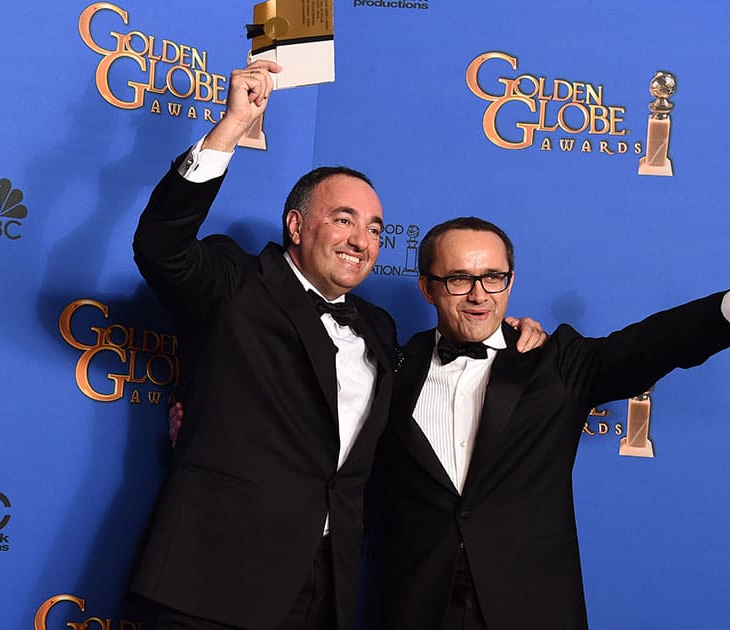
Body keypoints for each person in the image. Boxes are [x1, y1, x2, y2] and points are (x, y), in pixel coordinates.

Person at [129, 61, 545, 630]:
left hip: (326, 588)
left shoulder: (377, 327)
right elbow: (160, 246)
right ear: (296, 227)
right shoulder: (235, 282)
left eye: (375, 228)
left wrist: (502, 331)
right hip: (214, 578)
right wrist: (230, 128)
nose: (362, 240)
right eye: (344, 219)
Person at [366, 216, 730, 630]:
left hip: (531, 606)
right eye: (460, 278)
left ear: (510, 280)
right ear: (427, 288)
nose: (480, 294)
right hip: (413, 607)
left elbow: (652, 344)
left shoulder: (555, 360)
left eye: (494, 277)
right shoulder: (393, 365)